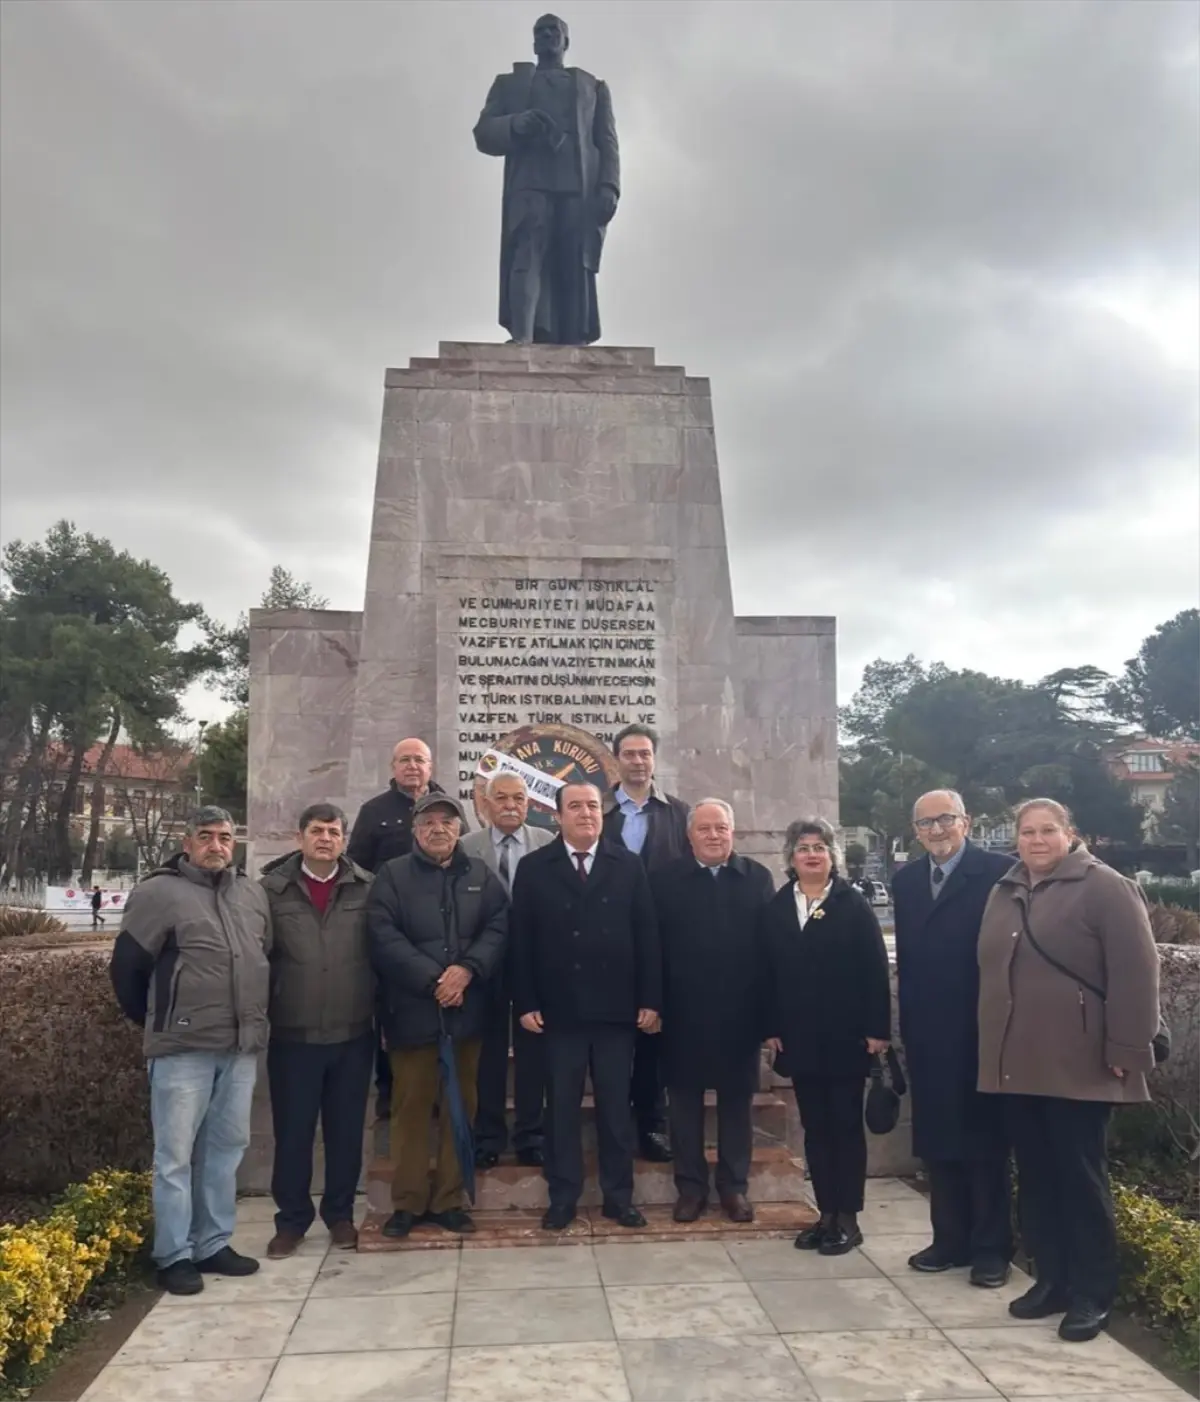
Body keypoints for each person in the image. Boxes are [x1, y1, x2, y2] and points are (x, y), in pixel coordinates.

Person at [978, 798, 1160, 1343]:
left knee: (1080, 1181)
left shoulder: (1106, 887)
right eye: (1027, 832)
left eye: (1048, 831)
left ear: (1070, 834)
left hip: (1080, 1064)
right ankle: (1051, 1280)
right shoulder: (1005, 890)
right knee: (1035, 1180)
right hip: (1018, 1064)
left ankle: (1092, 1293)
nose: (1037, 840)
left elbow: (1137, 972)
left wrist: (1128, 1050)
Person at [109, 807, 271, 1296]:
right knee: (176, 1155)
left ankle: (212, 1243)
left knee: (225, 1150)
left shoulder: (250, 893)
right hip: (182, 1049)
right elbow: (128, 970)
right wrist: (162, 1020)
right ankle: (174, 1254)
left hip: (239, 1045)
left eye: (225, 837)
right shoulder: (158, 893)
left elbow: (265, 959)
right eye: (206, 837)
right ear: (187, 842)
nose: (217, 845)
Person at [512, 781, 661, 1232]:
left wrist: (650, 1000)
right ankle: (563, 1197)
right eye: (575, 806)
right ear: (557, 816)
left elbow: (647, 938)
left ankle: (619, 1198)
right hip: (559, 1014)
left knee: (616, 1109)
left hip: (616, 1013)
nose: (586, 813)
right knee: (560, 1111)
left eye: (593, 806)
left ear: (603, 813)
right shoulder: (535, 867)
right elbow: (522, 942)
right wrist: (527, 1001)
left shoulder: (627, 865)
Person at [366, 792, 507, 1238]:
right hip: (412, 1014)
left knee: (459, 1108)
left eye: (447, 821)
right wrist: (434, 980)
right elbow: (383, 935)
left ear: (460, 828)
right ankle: (407, 1204)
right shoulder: (392, 876)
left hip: (466, 1015)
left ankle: (448, 1200)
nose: (438, 828)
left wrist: (466, 971)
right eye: (429, 822)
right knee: (409, 1111)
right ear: (415, 829)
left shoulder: (480, 875)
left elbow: (499, 926)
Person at [892, 790, 1015, 1289]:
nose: (936, 830)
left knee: (984, 1143)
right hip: (927, 1031)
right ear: (915, 831)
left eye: (945, 820)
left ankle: (991, 1249)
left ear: (966, 822)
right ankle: (949, 1239)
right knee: (937, 1139)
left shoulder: (1000, 873)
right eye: (925, 824)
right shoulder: (906, 882)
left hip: (983, 1029)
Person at [761, 817, 891, 1257]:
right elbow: (769, 974)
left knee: (844, 1127)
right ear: (791, 858)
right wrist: (772, 1026)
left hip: (846, 1037)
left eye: (819, 847)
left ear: (831, 856)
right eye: (803, 848)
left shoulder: (851, 904)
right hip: (799, 1039)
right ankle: (825, 1213)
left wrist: (877, 1030)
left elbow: (874, 968)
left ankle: (848, 1217)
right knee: (815, 1129)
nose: (811, 854)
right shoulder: (779, 906)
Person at [258, 804, 374, 1257]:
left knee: (345, 1132)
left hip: (353, 1033)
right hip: (294, 1035)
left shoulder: (366, 888)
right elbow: (259, 957)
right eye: (316, 831)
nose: (325, 838)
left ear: (344, 839)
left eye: (333, 831)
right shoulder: (271, 890)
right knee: (293, 1133)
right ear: (300, 837)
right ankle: (291, 1221)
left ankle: (341, 1216)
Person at [651, 799, 775, 1224]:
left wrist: (768, 1015)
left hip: (740, 1015)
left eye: (720, 828)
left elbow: (769, 952)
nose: (713, 835)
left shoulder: (757, 879)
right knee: (683, 1106)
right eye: (704, 829)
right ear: (689, 836)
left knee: (736, 1106)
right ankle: (690, 1188)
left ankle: (733, 1187)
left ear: (732, 832)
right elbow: (653, 949)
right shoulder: (665, 880)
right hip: (682, 1014)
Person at [473, 13, 620, 345]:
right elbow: (483, 133)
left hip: (578, 186)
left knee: (573, 260)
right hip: (529, 182)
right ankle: (523, 336)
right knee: (526, 252)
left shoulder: (592, 88)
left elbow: (607, 142)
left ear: (566, 41)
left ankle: (573, 338)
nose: (547, 35)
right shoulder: (510, 84)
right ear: (533, 41)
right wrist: (515, 124)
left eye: (554, 31)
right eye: (540, 31)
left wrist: (609, 186)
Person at [347, 738, 450, 1121]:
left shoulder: (447, 807)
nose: (412, 766)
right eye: (404, 760)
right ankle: (390, 1090)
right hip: (394, 930)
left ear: (430, 766)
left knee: (440, 1008)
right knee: (391, 1011)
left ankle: (440, 1086)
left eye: (419, 760)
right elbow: (357, 867)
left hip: (442, 928)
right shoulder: (374, 812)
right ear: (393, 767)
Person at [602, 722, 688, 1163]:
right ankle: (613, 1124)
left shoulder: (678, 813)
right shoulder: (596, 812)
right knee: (613, 1042)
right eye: (629, 753)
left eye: (645, 754)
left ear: (654, 759)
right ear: (616, 758)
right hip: (607, 948)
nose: (638, 761)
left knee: (654, 1040)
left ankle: (652, 1125)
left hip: (663, 945)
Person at [461, 773, 555, 1169]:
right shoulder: (467, 848)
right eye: (501, 798)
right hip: (486, 965)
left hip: (535, 963)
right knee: (490, 1055)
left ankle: (531, 1135)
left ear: (529, 803)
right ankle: (488, 1136)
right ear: (485, 802)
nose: (511, 805)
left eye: (519, 798)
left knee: (534, 1053)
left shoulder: (548, 843)